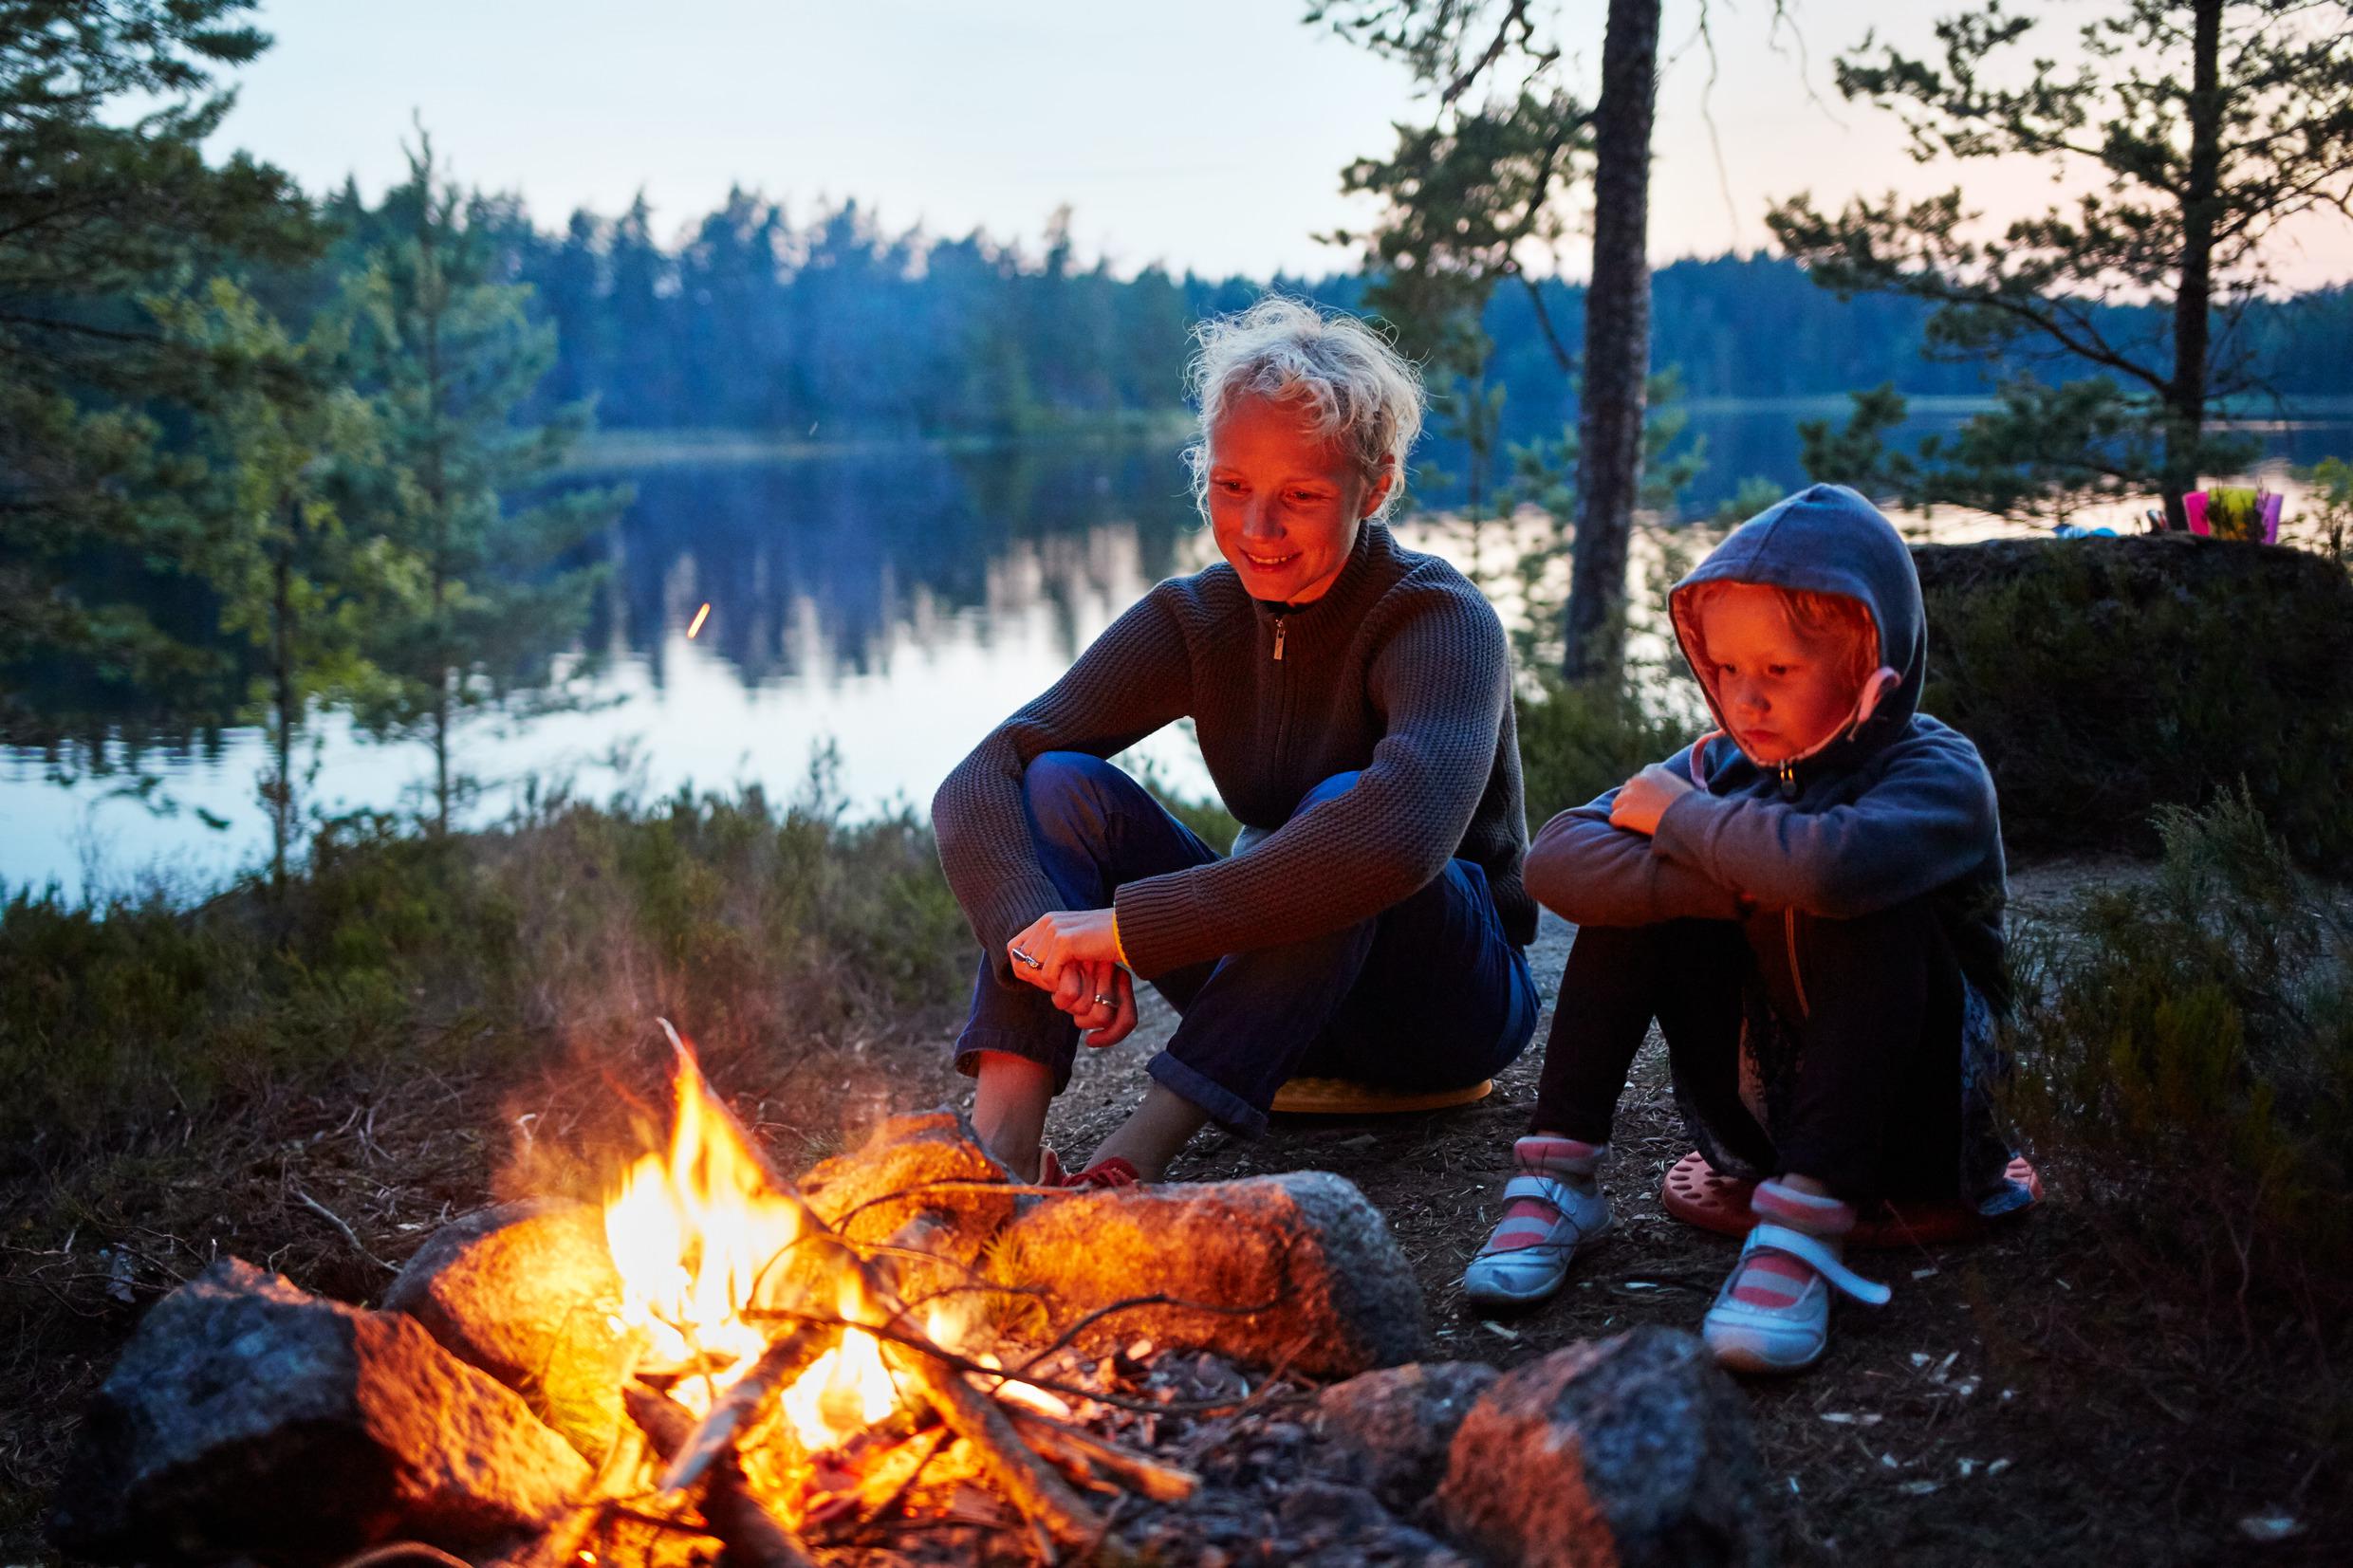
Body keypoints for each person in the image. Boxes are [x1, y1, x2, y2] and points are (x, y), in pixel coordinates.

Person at [932, 297, 1539, 1188]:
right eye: (1231, 487)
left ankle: (1127, 1166)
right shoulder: (1199, 619)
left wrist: (1126, 930)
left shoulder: (1437, 618)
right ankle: (998, 1155)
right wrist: (1039, 936)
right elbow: (982, 775)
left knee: (1347, 808)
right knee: (1059, 781)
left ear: (1375, 487)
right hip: (1274, 996)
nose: (1258, 529)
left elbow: (1398, 836)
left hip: (1441, 1005)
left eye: (1301, 495)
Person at [1462, 483, 2030, 1374]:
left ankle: (1804, 1231)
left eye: (1778, 671)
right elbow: (1556, 860)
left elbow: (1832, 869)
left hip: (1922, 1124)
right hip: (1763, 1106)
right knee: (1639, 902)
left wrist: (1688, 829)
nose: (1744, 700)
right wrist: (1726, 871)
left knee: (1850, 898)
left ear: (1867, 662)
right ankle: (1559, 1176)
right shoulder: (1717, 762)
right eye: (1726, 670)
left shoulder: (1938, 771)